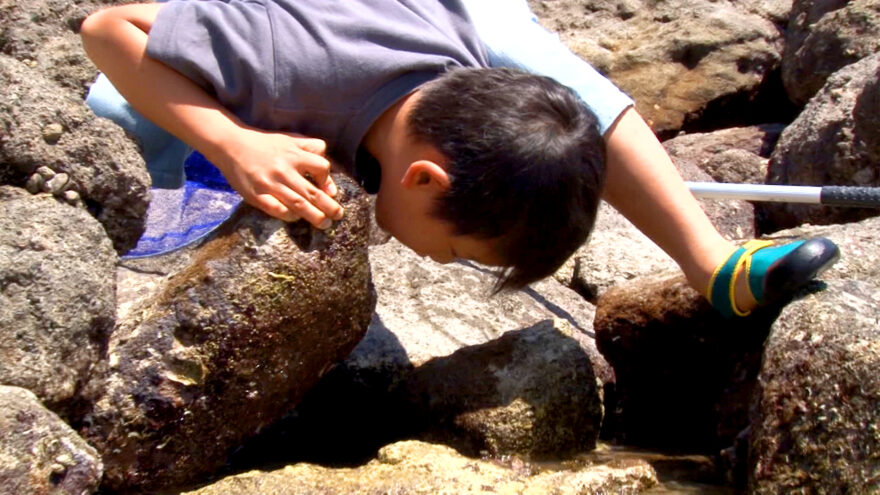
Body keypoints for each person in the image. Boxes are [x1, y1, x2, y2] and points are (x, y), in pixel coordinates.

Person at [79, 0, 838, 318]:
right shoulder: (280, 69)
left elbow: (556, 115)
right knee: (119, 106)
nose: (440, 263)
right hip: (286, 31)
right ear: (424, 177)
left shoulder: (471, 69)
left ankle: (709, 264)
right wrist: (232, 140)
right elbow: (106, 27)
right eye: (455, 250)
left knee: (541, 104)